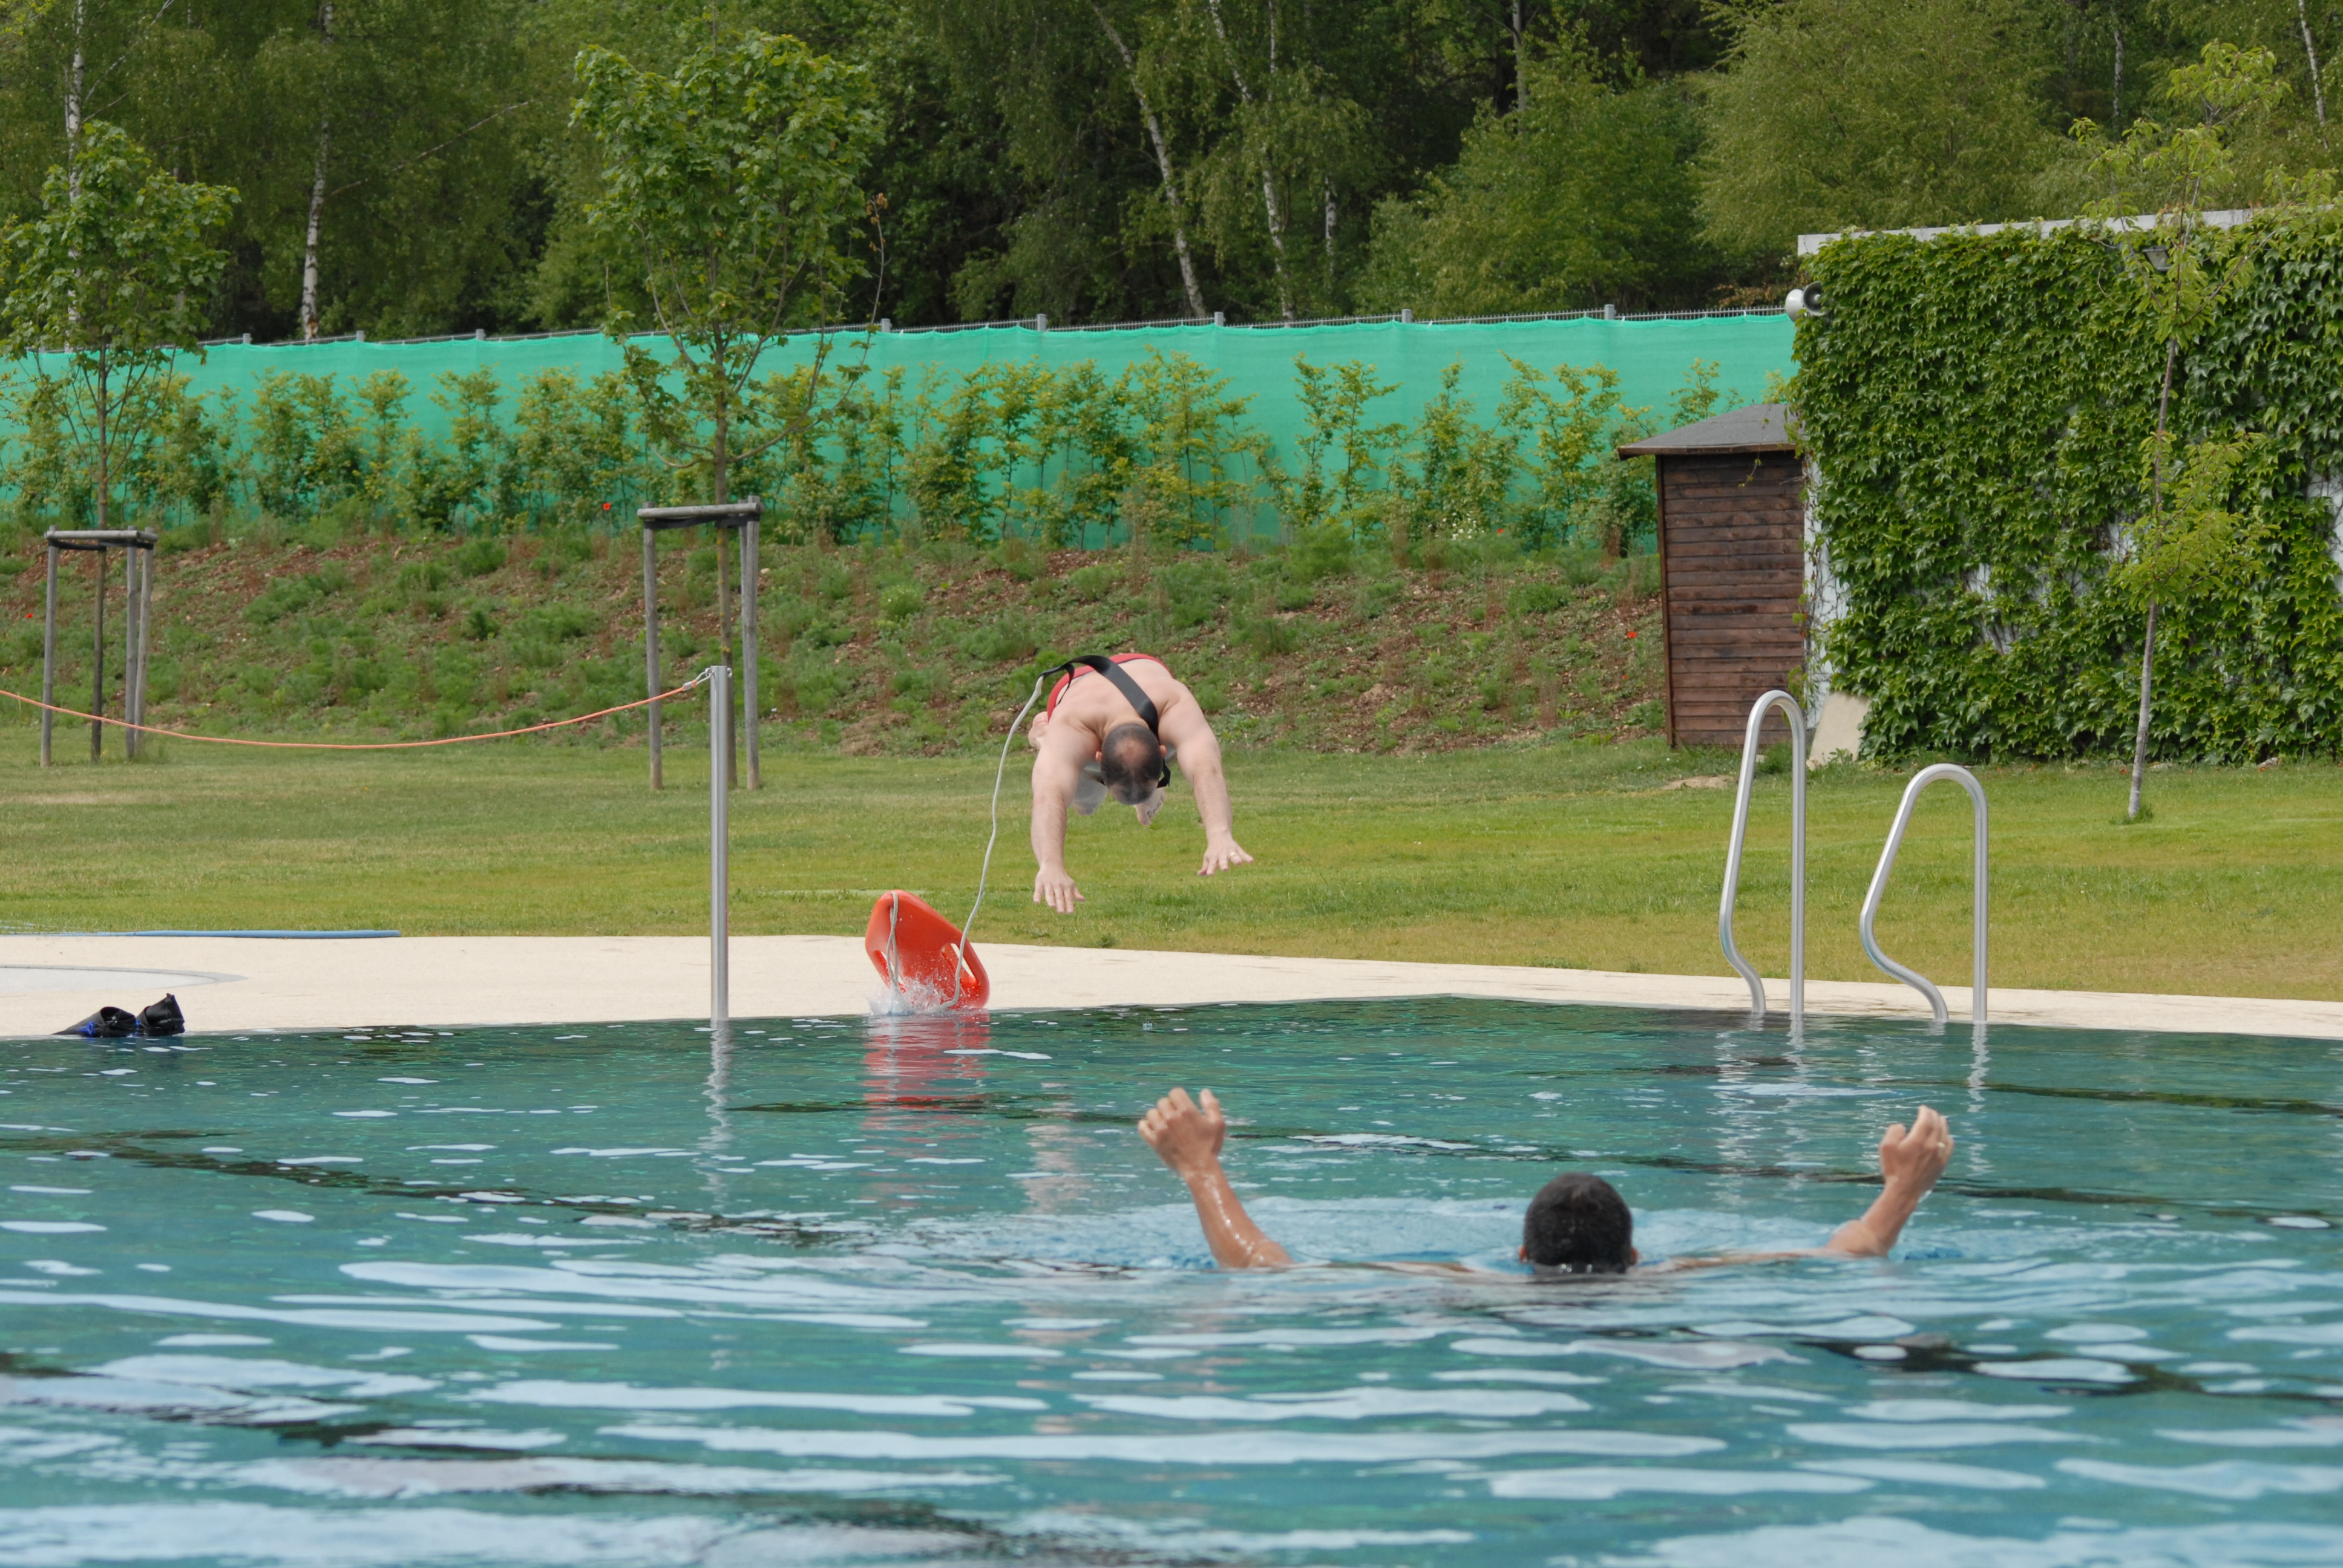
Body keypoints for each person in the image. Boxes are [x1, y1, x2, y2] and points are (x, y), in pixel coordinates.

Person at [1135, 1086, 1955, 1272]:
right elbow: (1849, 1252)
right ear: (1633, 1255)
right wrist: (1902, 1190)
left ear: (1520, 1255)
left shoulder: (1468, 1286)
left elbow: (1268, 1272)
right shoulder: (1680, 1280)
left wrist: (1202, 1169)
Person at [1027, 653, 1251, 913]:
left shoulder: (1173, 705)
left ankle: (1143, 789)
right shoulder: (1074, 730)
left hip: (1143, 682)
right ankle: (1042, 738)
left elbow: (1207, 770)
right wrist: (1050, 863)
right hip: (1073, 698)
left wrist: (1219, 833)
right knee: (1085, 804)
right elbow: (1048, 798)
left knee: (1195, 747)